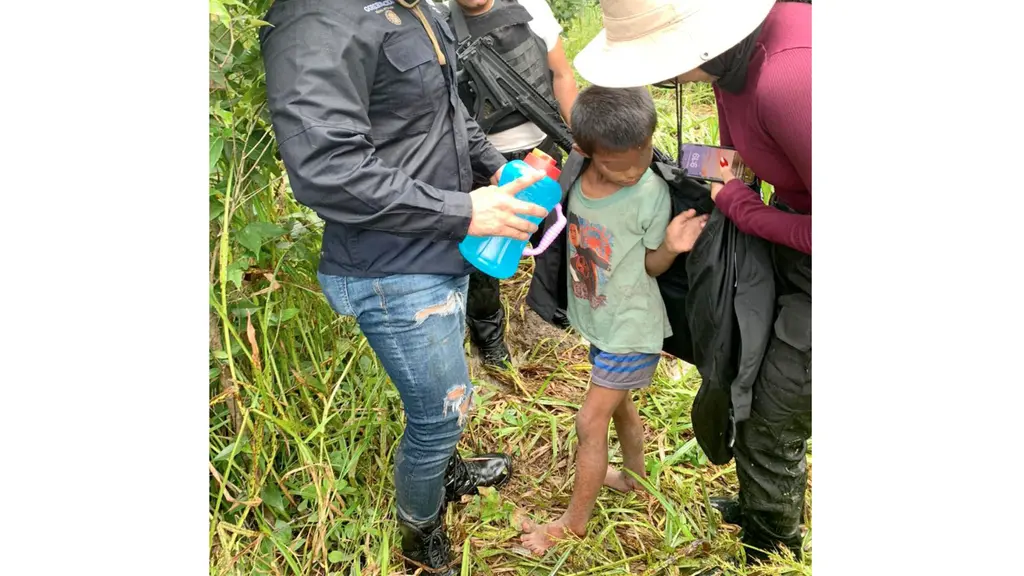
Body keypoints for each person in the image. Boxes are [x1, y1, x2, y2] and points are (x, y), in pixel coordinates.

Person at [258, 1, 551, 573]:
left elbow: (446, 108)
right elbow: (326, 167)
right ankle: (420, 533)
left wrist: (493, 167)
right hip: (393, 269)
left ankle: (446, 471)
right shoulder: (317, 18)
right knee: (440, 414)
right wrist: (459, 209)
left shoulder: (417, 8)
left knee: (448, 395)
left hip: (446, 242)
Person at [574, 0, 812, 563]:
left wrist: (741, 207)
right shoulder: (733, 65)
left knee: (776, 406)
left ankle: (770, 547)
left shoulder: (789, 77)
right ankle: (762, 503)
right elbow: (735, 156)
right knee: (745, 372)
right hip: (790, 236)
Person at [519, 85, 709, 555]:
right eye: (615, 163)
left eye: (641, 153)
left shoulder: (650, 192)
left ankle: (572, 524)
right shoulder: (576, 173)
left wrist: (671, 246)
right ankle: (636, 478)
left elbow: (650, 265)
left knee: (590, 421)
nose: (633, 169)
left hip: (631, 326)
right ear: (584, 151)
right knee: (620, 405)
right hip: (598, 319)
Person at [441, 0, 579, 368]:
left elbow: (561, 75)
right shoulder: (439, 20)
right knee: (485, 256)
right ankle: (489, 338)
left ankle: (558, 312)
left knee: (556, 236)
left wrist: (579, 133)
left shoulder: (532, 6)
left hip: (544, 153)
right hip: (481, 163)